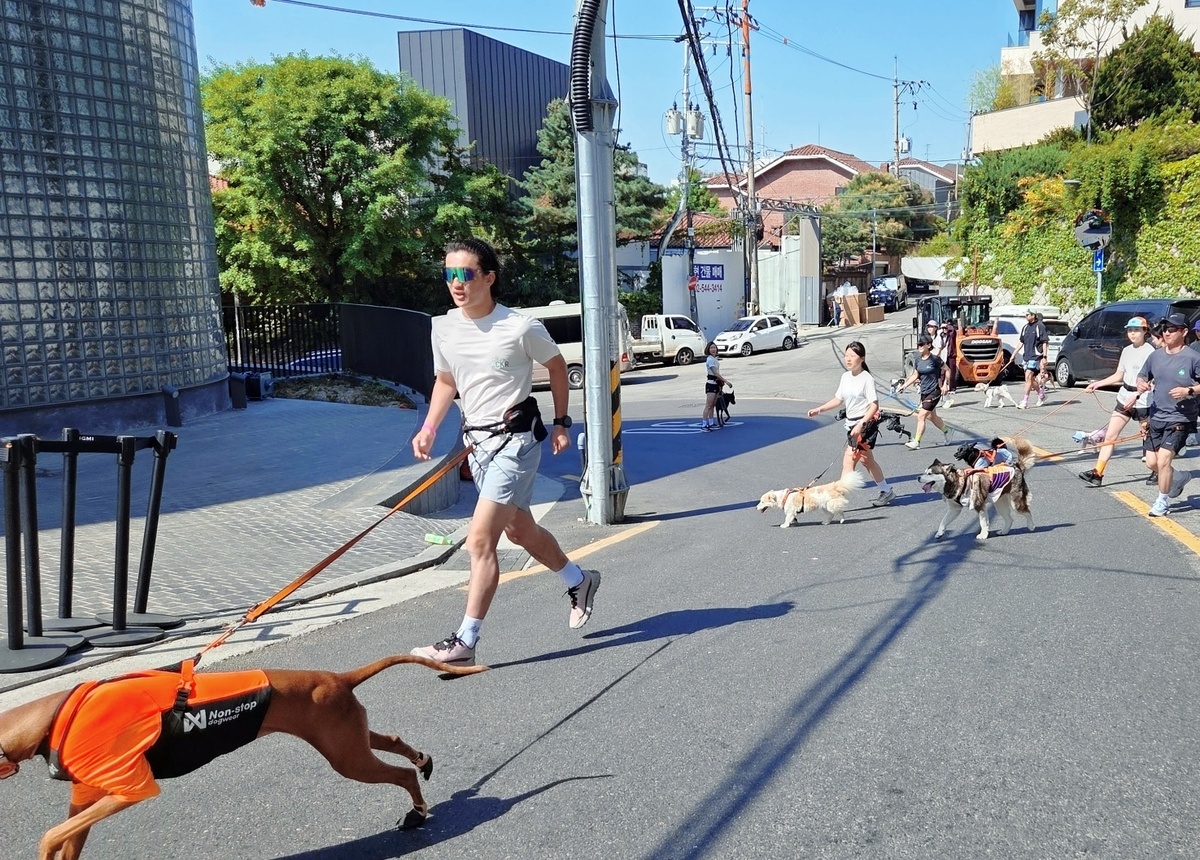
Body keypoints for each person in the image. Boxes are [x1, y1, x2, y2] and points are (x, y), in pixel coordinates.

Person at [411, 238, 599, 665]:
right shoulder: (443, 327)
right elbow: (446, 381)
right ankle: (579, 579)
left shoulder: (519, 326)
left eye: (467, 274)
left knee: (480, 539)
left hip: (516, 441)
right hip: (476, 445)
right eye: (449, 275)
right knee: (519, 530)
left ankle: (465, 641)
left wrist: (562, 424)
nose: (457, 283)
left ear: (489, 277)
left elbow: (555, 366)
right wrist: (428, 427)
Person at [807, 340, 897, 506]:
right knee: (866, 460)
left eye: (852, 356)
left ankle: (837, 499)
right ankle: (886, 490)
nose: (848, 359)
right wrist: (819, 410)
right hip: (851, 426)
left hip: (863, 426)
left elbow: (874, 405)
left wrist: (861, 424)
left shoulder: (866, 379)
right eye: (846, 355)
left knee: (849, 460)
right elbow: (838, 399)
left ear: (862, 358)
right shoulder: (845, 377)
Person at [1078, 316, 1156, 488]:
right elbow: (1118, 376)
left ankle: (1157, 470)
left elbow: (1152, 380)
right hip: (1123, 397)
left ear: (1145, 331)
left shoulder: (1151, 352)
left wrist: (1137, 394)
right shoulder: (1127, 350)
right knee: (1110, 436)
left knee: (1148, 438)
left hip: (1143, 401)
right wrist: (1097, 384)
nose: (1132, 333)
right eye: (1130, 330)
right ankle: (1097, 473)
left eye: (1136, 330)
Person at [1136, 312, 1200, 517]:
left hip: (1180, 417)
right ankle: (1179, 477)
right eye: (1165, 329)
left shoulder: (1193, 358)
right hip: (1157, 415)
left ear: (1184, 332)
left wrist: (1188, 391)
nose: (1167, 332)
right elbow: (1143, 374)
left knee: (1163, 460)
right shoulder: (1156, 355)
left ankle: (1162, 502)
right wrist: (1141, 382)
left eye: (1172, 329)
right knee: (1152, 463)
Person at [897, 333, 953, 450]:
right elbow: (916, 374)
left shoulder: (935, 360)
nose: (919, 347)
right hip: (924, 392)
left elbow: (947, 370)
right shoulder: (918, 359)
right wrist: (905, 385)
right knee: (932, 417)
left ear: (928, 345)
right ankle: (948, 431)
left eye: (922, 344)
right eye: (918, 345)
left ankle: (916, 442)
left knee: (921, 416)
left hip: (934, 392)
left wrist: (945, 384)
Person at [1016, 308, 1049, 409]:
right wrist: (1014, 354)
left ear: (1033, 315)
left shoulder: (1040, 326)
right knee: (1030, 379)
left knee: (1027, 377)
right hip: (1027, 356)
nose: (1026, 317)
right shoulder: (1025, 327)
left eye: (1027, 315)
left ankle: (1025, 401)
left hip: (1035, 356)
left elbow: (1045, 342)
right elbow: (1021, 342)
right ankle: (1041, 394)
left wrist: (1044, 357)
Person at [701, 341, 731, 431]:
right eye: (711, 348)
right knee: (708, 405)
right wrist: (725, 381)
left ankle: (711, 422)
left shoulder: (715, 359)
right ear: (708, 350)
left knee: (713, 405)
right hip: (711, 384)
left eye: (714, 348)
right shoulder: (710, 359)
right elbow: (715, 373)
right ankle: (704, 424)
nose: (713, 349)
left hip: (716, 384)